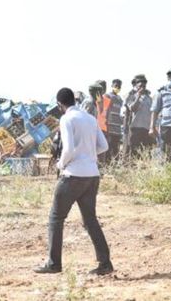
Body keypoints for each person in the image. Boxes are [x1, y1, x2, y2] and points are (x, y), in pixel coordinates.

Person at [34, 88, 113, 275]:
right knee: (90, 220)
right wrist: (88, 155)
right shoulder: (90, 119)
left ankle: (54, 264)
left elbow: (68, 149)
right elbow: (104, 146)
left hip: (73, 175)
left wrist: (61, 164)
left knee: (56, 218)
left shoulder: (66, 119)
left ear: (60, 104)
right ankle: (105, 263)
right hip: (92, 175)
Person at [150, 69, 171, 158]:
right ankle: (165, 170)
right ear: (167, 78)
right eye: (170, 76)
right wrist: (152, 127)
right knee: (165, 151)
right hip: (166, 126)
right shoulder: (161, 91)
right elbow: (154, 110)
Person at [125, 75, 154, 157]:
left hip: (146, 129)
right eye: (140, 86)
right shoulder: (132, 96)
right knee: (134, 152)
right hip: (135, 129)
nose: (142, 88)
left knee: (146, 153)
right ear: (136, 86)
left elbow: (152, 113)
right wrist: (138, 96)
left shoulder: (149, 98)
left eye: (144, 86)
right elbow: (132, 108)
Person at [99, 80, 124, 163]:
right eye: (116, 85)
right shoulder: (107, 96)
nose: (117, 88)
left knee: (116, 149)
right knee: (108, 150)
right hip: (109, 128)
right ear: (112, 85)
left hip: (117, 129)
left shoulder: (120, 99)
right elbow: (104, 112)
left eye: (119, 86)